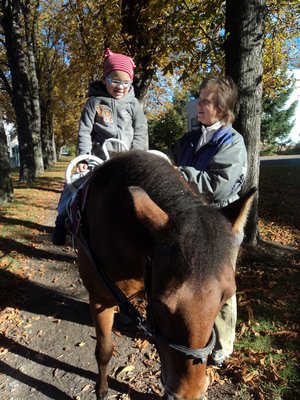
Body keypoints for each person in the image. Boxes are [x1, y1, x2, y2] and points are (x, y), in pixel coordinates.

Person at [170, 76, 247, 367]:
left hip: (222, 224)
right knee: (195, 283)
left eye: (205, 100)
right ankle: (194, 334)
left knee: (222, 286)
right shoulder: (191, 137)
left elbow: (218, 186)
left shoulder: (233, 142)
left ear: (223, 109)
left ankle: (223, 345)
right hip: (193, 220)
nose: (198, 105)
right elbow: (168, 161)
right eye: (199, 98)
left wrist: (179, 174)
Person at [52, 48, 148, 245]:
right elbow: (85, 132)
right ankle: (61, 218)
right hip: (99, 158)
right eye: (115, 80)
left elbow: (140, 131)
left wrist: (137, 155)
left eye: (126, 82)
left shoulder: (134, 105)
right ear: (105, 79)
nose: (120, 87)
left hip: (126, 158)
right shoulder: (94, 103)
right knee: (75, 183)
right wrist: (84, 157)